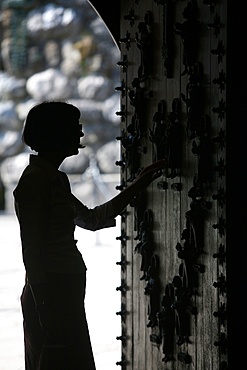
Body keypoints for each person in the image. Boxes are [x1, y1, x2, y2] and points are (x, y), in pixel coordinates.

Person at [13, 101, 165, 370]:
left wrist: (139, 184)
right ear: (56, 133)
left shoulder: (54, 179)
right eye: (75, 128)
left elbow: (92, 219)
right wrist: (43, 307)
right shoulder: (36, 180)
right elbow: (32, 250)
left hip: (62, 288)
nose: (81, 135)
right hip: (51, 291)